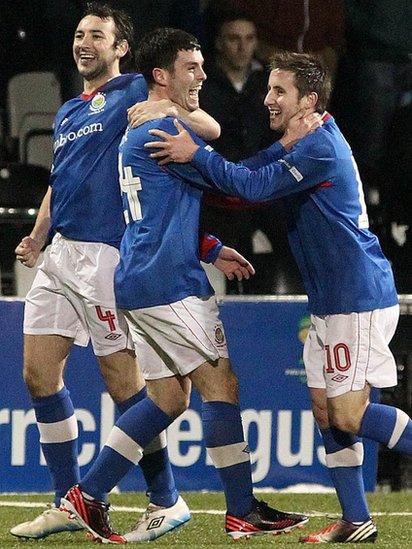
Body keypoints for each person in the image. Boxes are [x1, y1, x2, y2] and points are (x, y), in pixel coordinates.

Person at [145, 51, 412, 543]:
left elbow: (251, 187)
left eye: (279, 91)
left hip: (357, 297)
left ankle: (358, 516)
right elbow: (239, 181)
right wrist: (192, 170)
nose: (267, 99)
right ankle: (357, 520)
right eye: (267, 89)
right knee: (326, 410)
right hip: (330, 302)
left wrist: (194, 153)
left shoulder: (320, 148)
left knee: (349, 414)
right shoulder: (297, 142)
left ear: (308, 100)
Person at [60, 28, 309, 544]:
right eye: (190, 68)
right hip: (168, 281)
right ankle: (241, 510)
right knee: (222, 387)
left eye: (200, 66)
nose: (201, 76)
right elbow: (236, 185)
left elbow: (165, 205)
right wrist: (288, 149)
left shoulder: (150, 127)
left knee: (169, 398)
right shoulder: (163, 132)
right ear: (161, 76)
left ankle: (88, 494)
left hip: (142, 277)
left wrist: (212, 248)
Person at [9, 2, 245, 542]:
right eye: (79, 33)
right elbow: (60, 181)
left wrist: (166, 115)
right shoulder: (70, 110)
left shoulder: (137, 89)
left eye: (98, 35)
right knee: (38, 376)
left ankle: (165, 499)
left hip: (107, 255)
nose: (84, 42)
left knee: (125, 386)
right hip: (61, 254)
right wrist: (39, 235)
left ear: (120, 49)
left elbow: (206, 125)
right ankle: (69, 502)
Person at [199, 9, 301, 295]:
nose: (242, 46)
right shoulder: (202, 86)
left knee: (293, 248)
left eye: (249, 38)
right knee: (234, 270)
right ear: (219, 42)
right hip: (221, 196)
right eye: (234, 38)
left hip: (266, 191)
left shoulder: (270, 85)